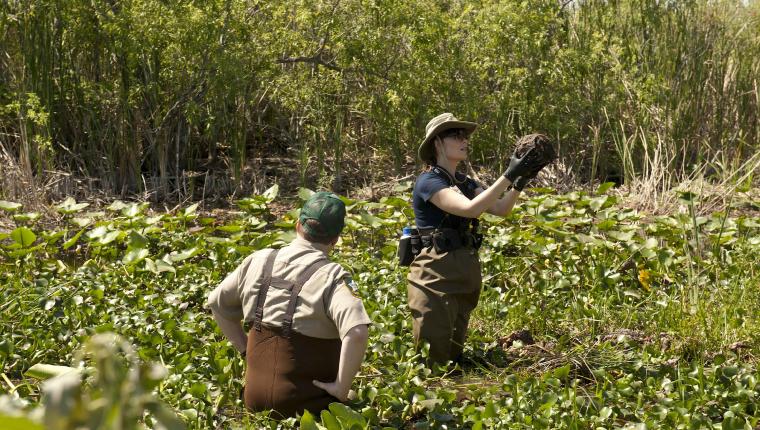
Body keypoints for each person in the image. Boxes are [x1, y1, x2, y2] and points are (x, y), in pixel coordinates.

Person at [207, 192, 371, 418]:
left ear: (297, 225)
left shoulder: (259, 259)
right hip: (307, 409)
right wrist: (341, 388)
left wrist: (246, 350)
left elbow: (216, 303)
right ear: (335, 239)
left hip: (253, 401)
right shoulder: (334, 277)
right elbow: (358, 332)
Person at [407, 112, 550, 366]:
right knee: (432, 357)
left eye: (464, 135)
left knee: (453, 353)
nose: (464, 140)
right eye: (455, 134)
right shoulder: (428, 181)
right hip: (435, 271)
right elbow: (470, 209)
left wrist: (520, 181)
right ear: (437, 143)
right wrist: (508, 174)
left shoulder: (465, 181)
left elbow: (500, 209)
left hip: (465, 267)